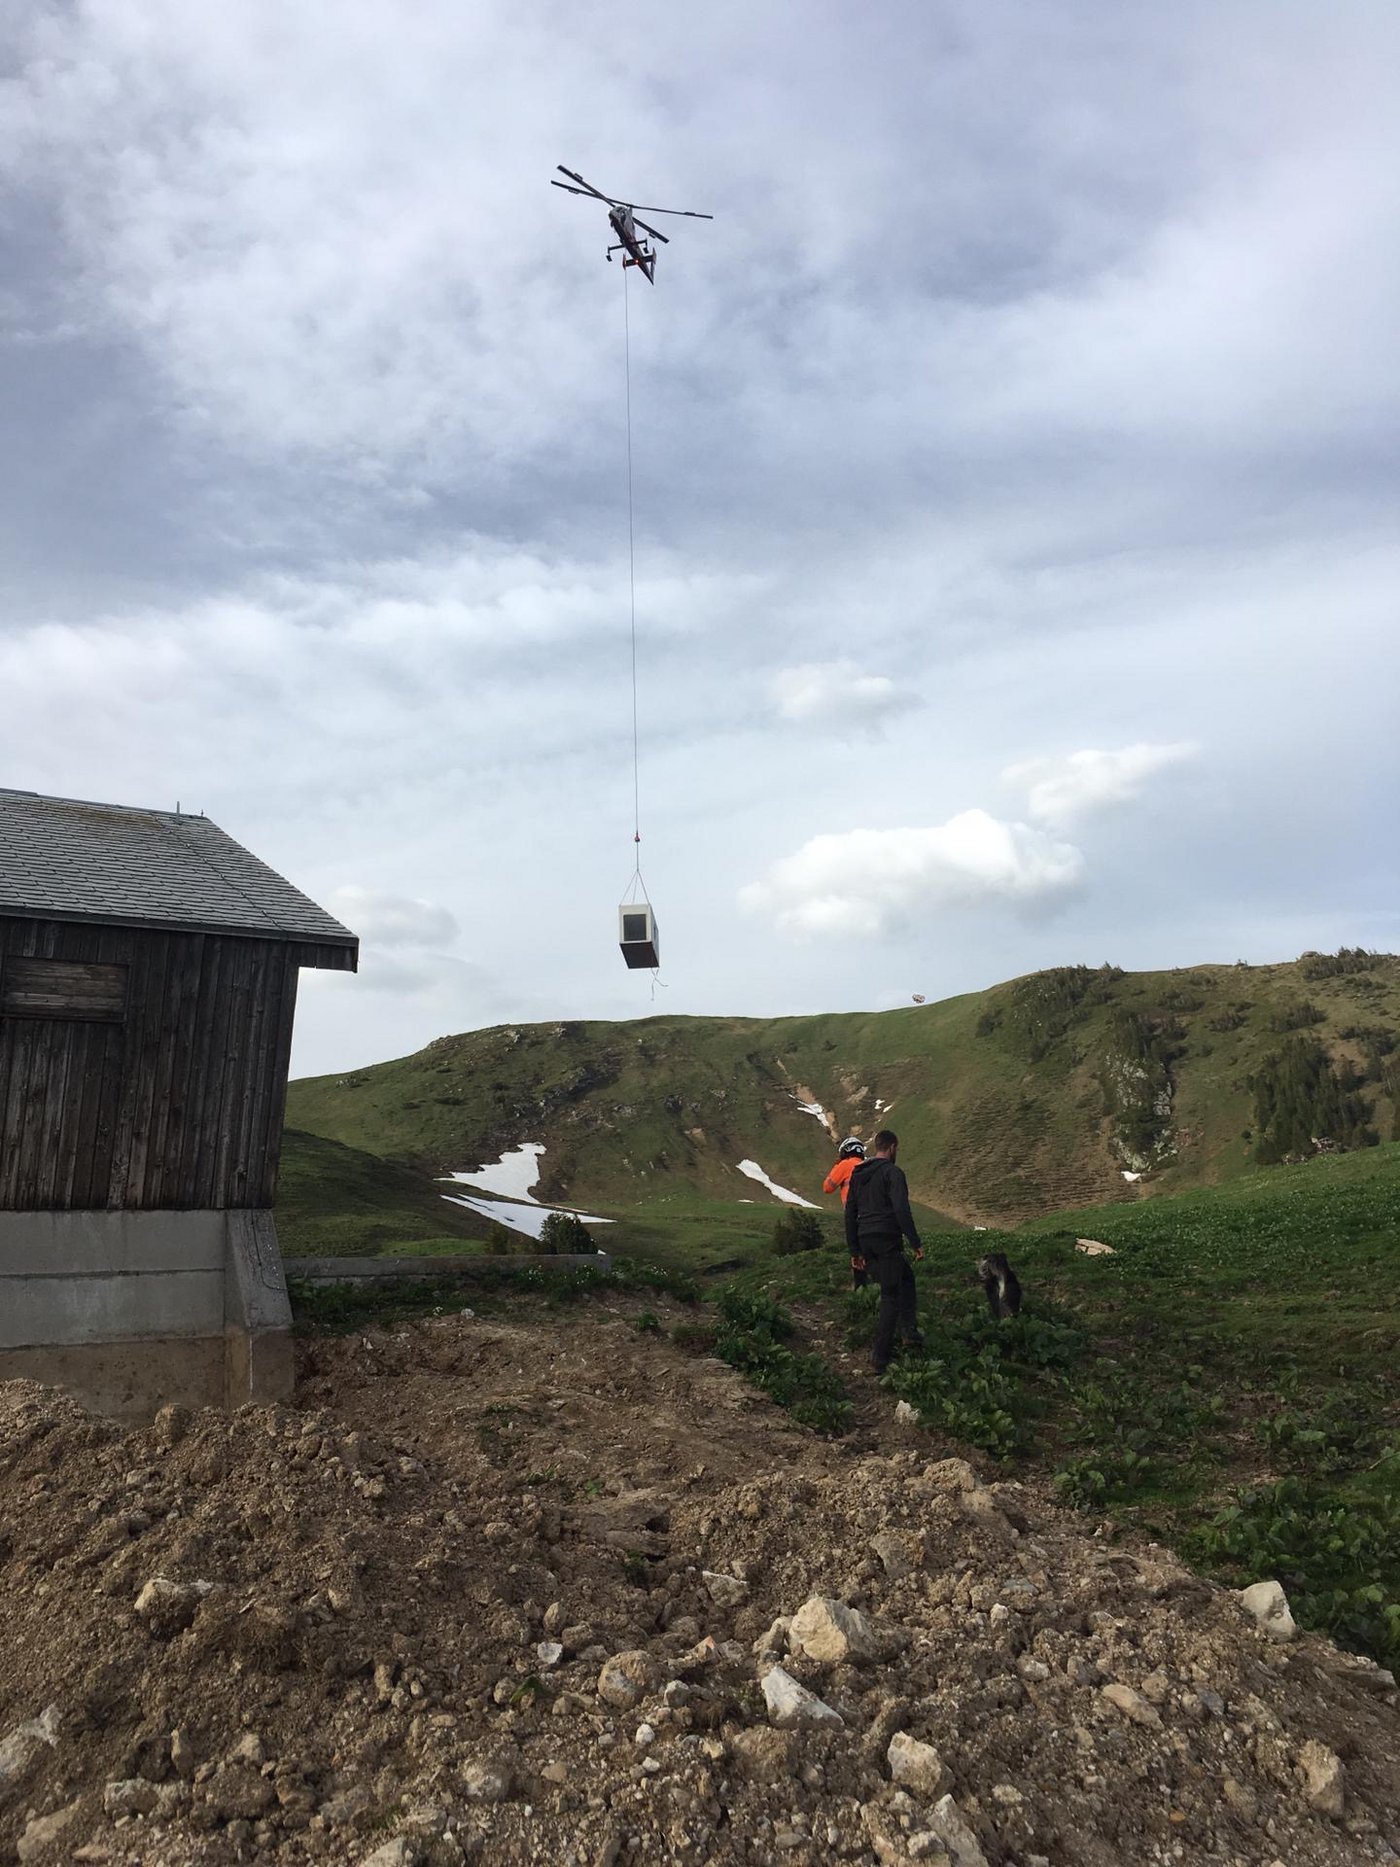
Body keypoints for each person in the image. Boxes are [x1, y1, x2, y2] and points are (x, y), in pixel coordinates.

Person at [844, 1129, 924, 1373]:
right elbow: (901, 1209)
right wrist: (915, 1242)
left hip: (865, 1238)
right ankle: (880, 1357)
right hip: (886, 1238)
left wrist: (854, 1250)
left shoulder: (858, 1174)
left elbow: (849, 1213)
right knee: (891, 1294)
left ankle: (909, 1331)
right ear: (892, 1147)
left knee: (906, 1277)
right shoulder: (893, 1173)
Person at [823, 1137, 869, 1288]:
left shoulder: (845, 1165)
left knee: (857, 1255)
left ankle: (862, 1293)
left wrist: (837, 1166)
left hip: (854, 1216)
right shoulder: (869, 1165)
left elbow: (827, 1187)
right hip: (875, 1214)